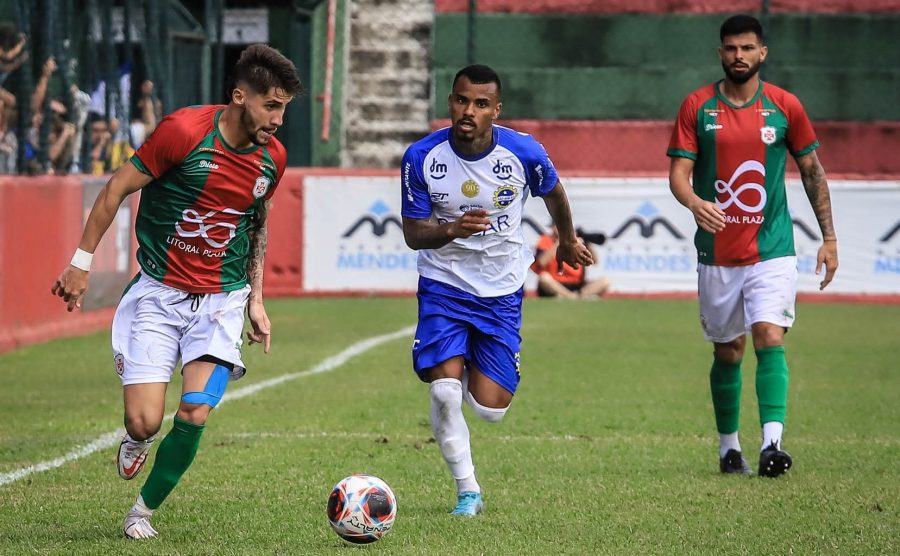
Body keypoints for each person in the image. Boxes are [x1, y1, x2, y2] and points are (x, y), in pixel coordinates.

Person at [51, 44, 302, 539]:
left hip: (221, 302)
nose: (277, 119)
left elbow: (257, 224)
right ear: (239, 96)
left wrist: (255, 297)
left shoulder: (273, 158)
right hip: (158, 295)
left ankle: (141, 512)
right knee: (145, 422)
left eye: (284, 109)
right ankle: (136, 439)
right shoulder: (184, 132)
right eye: (270, 106)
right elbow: (116, 189)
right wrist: (80, 262)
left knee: (194, 410)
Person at [401, 64, 594, 515]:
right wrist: (450, 230)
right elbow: (413, 233)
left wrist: (566, 241)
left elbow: (556, 194)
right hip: (444, 284)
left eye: (481, 103)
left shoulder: (524, 152)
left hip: (502, 288)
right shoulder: (421, 157)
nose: (469, 111)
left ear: (496, 110)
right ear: (450, 102)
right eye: (462, 100)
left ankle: (457, 359)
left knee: (491, 408)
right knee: (445, 392)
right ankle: (468, 491)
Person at [667, 15, 838, 478]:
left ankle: (771, 444)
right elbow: (678, 174)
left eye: (747, 48)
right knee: (728, 351)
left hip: (773, 249)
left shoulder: (785, 106)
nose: (738, 56)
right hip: (718, 254)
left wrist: (829, 238)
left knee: (769, 335)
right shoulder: (697, 106)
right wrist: (695, 202)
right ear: (720, 53)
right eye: (730, 48)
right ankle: (729, 449)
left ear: (763, 53)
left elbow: (812, 171)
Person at [531, 224, 610, 299]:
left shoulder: (576, 242)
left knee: (605, 281)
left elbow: (594, 261)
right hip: (555, 283)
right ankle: (571, 297)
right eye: (558, 226)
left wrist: (587, 243)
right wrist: (560, 242)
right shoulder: (545, 239)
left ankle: (575, 296)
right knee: (544, 278)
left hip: (576, 285)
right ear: (552, 228)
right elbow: (541, 262)